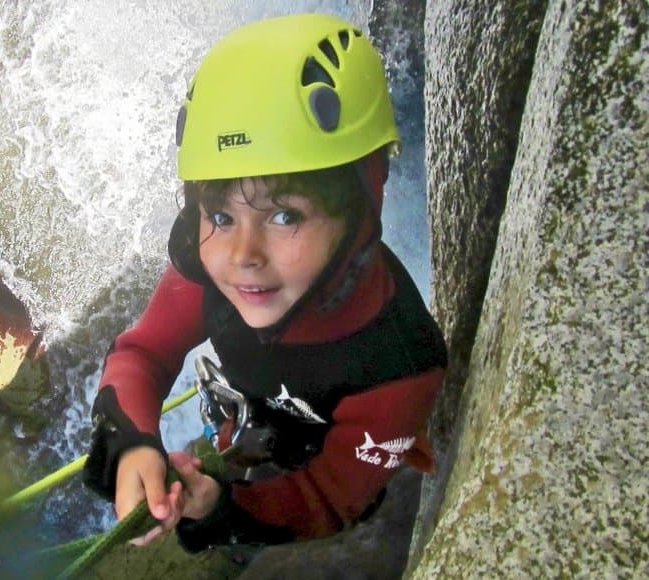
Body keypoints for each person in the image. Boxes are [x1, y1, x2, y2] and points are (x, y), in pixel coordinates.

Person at [83, 13, 447, 553]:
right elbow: (142, 354)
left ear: (359, 211)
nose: (241, 258)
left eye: (284, 217)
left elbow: (327, 499)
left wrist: (222, 511)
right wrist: (133, 445)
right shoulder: (211, 274)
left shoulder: (398, 366)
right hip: (256, 424)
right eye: (221, 217)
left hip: (323, 463)